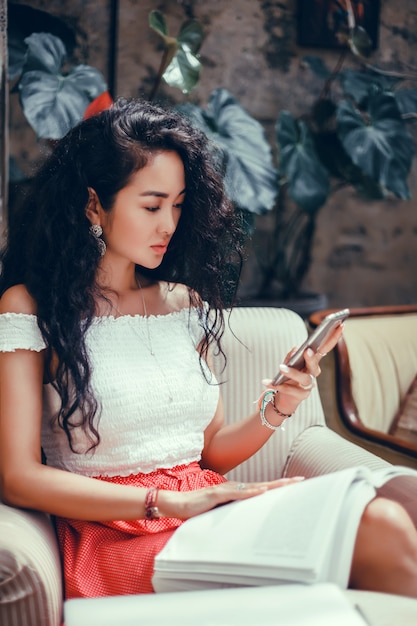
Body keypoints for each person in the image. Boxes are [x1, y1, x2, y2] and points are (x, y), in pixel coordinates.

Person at [0, 98, 416, 601]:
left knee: (392, 511)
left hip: (203, 508)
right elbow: (18, 477)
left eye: (177, 205)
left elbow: (213, 451)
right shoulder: (30, 308)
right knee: (380, 530)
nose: (168, 225)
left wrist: (280, 403)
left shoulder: (182, 303)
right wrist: (167, 504)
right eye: (152, 206)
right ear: (94, 205)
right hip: (113, 536)